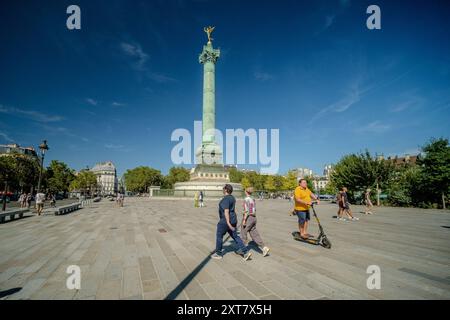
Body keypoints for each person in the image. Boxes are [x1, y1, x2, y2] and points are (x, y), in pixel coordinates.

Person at [211, 184, 252, 261]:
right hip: (233, 219)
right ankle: (245, 252)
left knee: (219, 236)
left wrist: (228, 223)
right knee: (235, 236)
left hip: (225, 221)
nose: (222, 189)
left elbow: (226, 211)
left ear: (226, 190)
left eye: (223, 188)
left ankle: (218, 253)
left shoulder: (226, 199)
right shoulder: (232, 198)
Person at [241, 187, 270, 257]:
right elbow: (254, 209)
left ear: (246, 192)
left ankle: (243, 250)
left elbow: (246, 210)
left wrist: (244, 220)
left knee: (243, 232)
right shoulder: (252, 199)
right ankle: (264, 247)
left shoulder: (246, 199)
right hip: (254, 217)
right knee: (254, 233)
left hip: (248, 217)